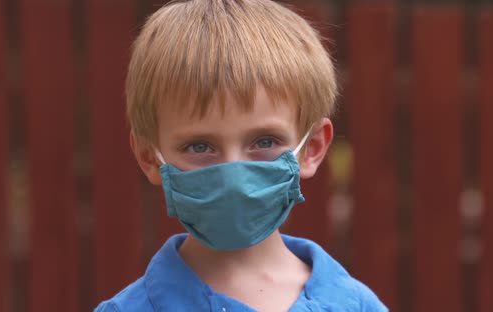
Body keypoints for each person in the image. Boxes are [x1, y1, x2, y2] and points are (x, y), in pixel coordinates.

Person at [95, 0, 387, 311]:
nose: (234, 175)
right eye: (200, 146)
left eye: (264, 142)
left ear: (312, 148)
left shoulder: (355, 306)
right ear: (150, 157)